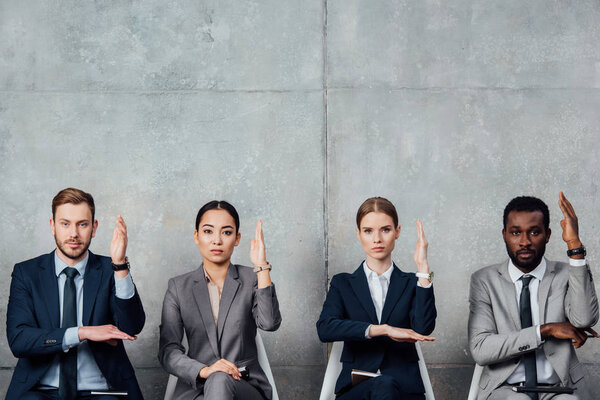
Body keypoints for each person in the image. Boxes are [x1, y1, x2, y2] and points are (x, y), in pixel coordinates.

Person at [6, 188, 146, 400]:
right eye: (65, 224)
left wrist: (119, 265)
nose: (74, 234)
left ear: (94, 227)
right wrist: (82, 332)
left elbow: (131, 327)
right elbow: (19, 340)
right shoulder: (27, 273)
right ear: (52, 226)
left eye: (82, 224)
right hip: (40, 390)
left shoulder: (111, 270)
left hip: (101, 391)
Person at [468, 193, 599, 400]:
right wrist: (546, 330)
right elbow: (481, 349)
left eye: (534, 232)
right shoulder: (485, 280)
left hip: (560, 388)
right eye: (515, 232)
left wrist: (575, 246)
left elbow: (584, 319)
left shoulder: (565, 274)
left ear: (547, 235)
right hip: (506, 389)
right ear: (504, 234)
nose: (525, 242)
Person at [158, 200, 281, 400]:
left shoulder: (252, 278)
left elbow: (269, 323)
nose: (217, 240)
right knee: (216, 379)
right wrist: (204, 370)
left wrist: (262, 267)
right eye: (208, 231)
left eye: (226, 232)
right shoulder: (178, 287)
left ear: (237, 238)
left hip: (245, 386)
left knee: (220, 380)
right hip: (195, 389)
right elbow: (168, 351)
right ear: (196, 236)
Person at [317, 197, 437, 400]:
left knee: (387, 385)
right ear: (358, 234)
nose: (377, 239)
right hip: (356, 392)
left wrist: (423, 268)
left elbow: (423, 328)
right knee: (383, 384)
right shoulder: (343, 283)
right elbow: (325, 328)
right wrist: (382, 329)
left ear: (397, 232)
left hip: (404, 390)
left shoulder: (412, 282)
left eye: (385, 230)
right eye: (368, 231)